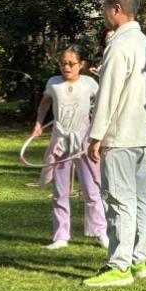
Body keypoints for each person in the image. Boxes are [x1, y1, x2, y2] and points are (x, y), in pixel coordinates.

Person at [83, 0, 146, 288]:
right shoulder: (144, 41)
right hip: (142, 133)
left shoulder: (119, 44)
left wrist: (95, 136)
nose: (102, 14)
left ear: (116, 10)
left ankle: (120, 266)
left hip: (121, 135)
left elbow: (108, 95)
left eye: (103, 8)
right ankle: (139, 259)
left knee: (119, 199)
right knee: (139, 197)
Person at [30, 45, 107, 250]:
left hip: (83, 141)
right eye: (63, 63)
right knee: (60, 191)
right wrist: (39, 123)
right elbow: (45, 102)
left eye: (71, 63)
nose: (66, 67)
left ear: (81, 65)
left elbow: (103, 105)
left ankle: (100, 232)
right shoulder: (53, 83)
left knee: (92, 190)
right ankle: (61, 235)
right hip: (61, 141)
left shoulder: (90, 83)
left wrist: (100, 133)